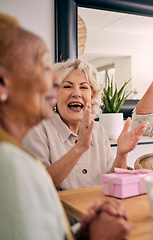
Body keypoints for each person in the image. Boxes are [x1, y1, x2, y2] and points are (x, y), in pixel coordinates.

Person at [0, 13, 130, 239]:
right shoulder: (9, 164)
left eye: (84, 87)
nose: (52, 81)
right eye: (41, 67)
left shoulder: (15, 156)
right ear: (3, 84)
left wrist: (84, 233)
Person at [23, 59, 147, 190]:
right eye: (67, 86)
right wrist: (79, 148)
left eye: (83, 87)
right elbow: (39, 184)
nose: (76, 93)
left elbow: (112, 185)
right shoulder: (37, 131)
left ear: (92, 96)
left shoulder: (99, 131)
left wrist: (122, 155)